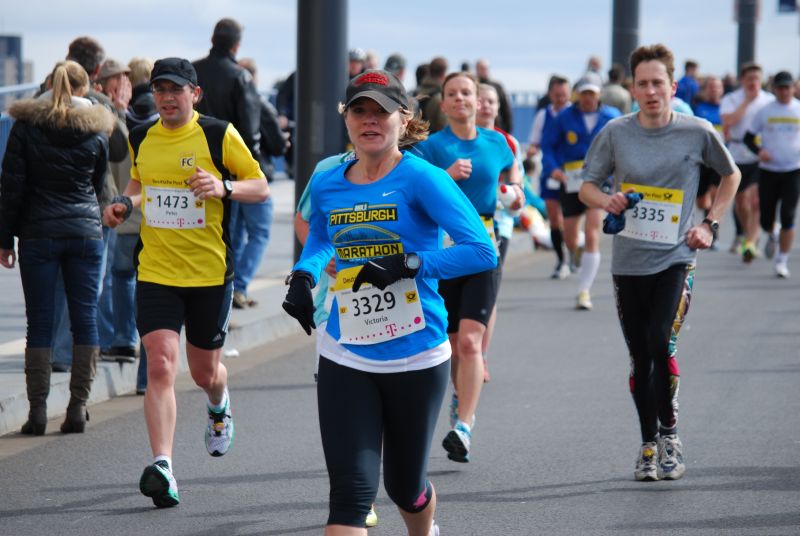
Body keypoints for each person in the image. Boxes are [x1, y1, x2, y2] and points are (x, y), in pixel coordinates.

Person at [282, 69, 495, 535]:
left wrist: (408, 265)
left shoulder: (423, 178)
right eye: (359, 110)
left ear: (405, 118)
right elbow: (321, 234)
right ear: (346, 118)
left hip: (416, 353)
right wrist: (304, 273)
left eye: (381, 111)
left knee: (405, 487)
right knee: (351, 494)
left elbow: (482, 251)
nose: (370, 120)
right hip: (345, 351)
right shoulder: (328, 180)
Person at [102, 57, 269, 507]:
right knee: (159, 365)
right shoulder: (142, 135)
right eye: (160, 89)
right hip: (156, 270)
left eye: (176, 89)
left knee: (203, 373)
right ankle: (164, 466)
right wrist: (124, 203)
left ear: (195, 94)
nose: (167, 97)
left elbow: (260, 186)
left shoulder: (218, 134)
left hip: (209, 273)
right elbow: (140, 181)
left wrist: (223, 187)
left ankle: (218, 403)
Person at [579, 43, 740, 482]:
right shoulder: (615, 132)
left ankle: (670, 435)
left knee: (657, 342)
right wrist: (607, 200)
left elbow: (731, 175)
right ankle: (648, 444)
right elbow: (587, 186)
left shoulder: (697, 131)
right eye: (643, 84)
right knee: (639, 357)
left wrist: (709, 224)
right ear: (632, 89)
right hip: (629, 261)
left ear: (673, 87)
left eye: (658, 83)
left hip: (676, 257)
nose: (651, 91)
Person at [0, 60, 114, 435]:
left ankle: (37, 412)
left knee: (40, 322)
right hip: (85, 233)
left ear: (48, 84)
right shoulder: (96, 129)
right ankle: (78, 408)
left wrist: (5, 239)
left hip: (38, 234)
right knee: (85, 319)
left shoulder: (25, 126)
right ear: (85, 88)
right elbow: (100, 185)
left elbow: (11, 187)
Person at [415, 71, 523, 463]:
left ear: (479, 101)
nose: (460, 99)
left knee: (470, 342)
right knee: (451, 344)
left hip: (483, 248)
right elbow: (416, 196)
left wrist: (515, 198)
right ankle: (461, 397)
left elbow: (514, 187)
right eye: (452, 94)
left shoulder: (498, 143)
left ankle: (464, 425)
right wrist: (446, 177)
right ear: (443, 104)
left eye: (467, 93)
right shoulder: (430, 148)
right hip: (443, 254)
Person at [193, 18, 272, 309]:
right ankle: (227, 292)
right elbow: (250, 131)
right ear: (236, 46)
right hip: (228, 169)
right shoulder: (240, 77)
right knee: (233, 233)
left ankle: (203, 290)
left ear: (213, 39)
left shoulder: (194, 71)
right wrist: (251, 171)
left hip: (192, 164)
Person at [542, 75, 621, 310]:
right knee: (570, 237)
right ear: (578, 95)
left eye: (592, 94)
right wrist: (554, 169)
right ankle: (575, 250)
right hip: (571, 181)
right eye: (584, 93)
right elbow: (548, 146)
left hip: (599, 180)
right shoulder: (563, 117)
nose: (588, 98)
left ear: (599, 95)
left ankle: (584, 291)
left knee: (592, 233)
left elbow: (622, 146)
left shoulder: (612, 117)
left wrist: (618, 174)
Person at [744, 71, 800, 278]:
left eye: (788, 87)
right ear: (774, 89)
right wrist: (760, 152)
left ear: (794, 88)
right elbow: (748, 138)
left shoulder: (798, 108)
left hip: (793, 170)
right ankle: (773, 232)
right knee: (766, 219)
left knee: (788, 215)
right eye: (780, 88)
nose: (784, 92)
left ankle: (781, 261)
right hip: (768, 171)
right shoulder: (765, 111)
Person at [721, 62, 774, 262]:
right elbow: (728, 121)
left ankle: (752, 241)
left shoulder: (769, 100)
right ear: (742, 80)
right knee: (742, 201)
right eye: (749, 79)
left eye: (757, 79)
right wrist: (747, 102)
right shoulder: (731, 99)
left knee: (756, 201)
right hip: (737, 155)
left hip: (759, 155)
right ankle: (746, 234)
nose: (753, 82)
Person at [527, 75, 572, 279]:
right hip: (550, 173)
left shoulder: (576, 114)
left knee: (571, 219)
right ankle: (562, 260)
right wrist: (531, 152)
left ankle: (574, 252)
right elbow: (534, 142)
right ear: (550, 94)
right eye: (557, 95)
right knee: (555, 218)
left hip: (573, 175)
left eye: (564, 95)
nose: (561, 99)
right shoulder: (543, 115)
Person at [694, 76, 725, 219]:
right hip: (703, 158)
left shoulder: (727, 109)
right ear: (705, 90)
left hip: (721, 158)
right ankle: (709, 217)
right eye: (711, 87)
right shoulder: (699, 108)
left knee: (714, 194)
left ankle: (711, 225)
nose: (714, 90)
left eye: (717, 87)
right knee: (702, 203)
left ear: (722, 89)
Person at [475, 58, 513, 133]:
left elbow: (505, 109)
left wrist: (507, 129)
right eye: (481, 68)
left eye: (490, 102)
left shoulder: (497, 87)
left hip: (497, 127)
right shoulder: (472, 86)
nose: (486, 105)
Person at [416, 56, 449, 133]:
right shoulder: (440, 97)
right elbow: (443, 126)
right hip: (433, 138)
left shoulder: (417, 91)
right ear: (443, 73)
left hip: (416, 137)